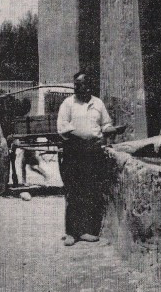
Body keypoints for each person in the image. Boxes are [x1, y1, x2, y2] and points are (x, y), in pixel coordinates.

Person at [57, 72, 123, 246]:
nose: (77, 87)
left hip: (93, 151)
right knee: (73, 190)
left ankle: (86, 230)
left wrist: (111, 129)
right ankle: (71, 232)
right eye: (75, 84)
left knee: (90, 190)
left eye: (80, 84)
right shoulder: (68, 103)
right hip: (73, 150)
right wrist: (83, 137)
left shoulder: (98, 103)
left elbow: (105, 124)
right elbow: (63, 127)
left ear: (89, 86)